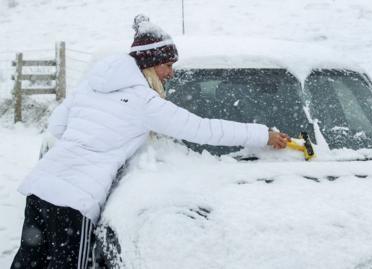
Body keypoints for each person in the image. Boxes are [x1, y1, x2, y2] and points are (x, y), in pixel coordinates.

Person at [10, 15, 289, 269]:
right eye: (168, 65)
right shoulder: (145, 103)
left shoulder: (92, 84)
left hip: (41, 188)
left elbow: (57, 127)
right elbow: (204, 130)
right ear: (150, 63)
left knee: (28, 262)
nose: (171, 73)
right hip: (75, 204)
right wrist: (262, 134)